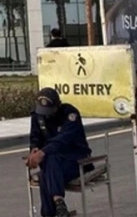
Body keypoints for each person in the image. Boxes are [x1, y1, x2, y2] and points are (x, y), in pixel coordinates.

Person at [25, 87, 92, 217]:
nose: (46, 114)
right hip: (54, 164)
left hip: (76, 160)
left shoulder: (70, 114)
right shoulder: (38, 115)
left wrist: (42, 153)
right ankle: (60, 206)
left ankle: (53, 208)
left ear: (58, 105)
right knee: (48, 167)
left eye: (49, 111)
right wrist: (35, 148)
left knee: (45, 172)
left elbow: (63, 140)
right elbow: (35, 136)